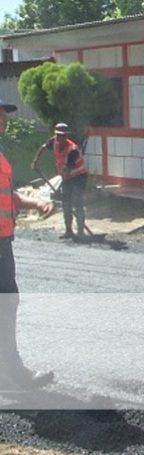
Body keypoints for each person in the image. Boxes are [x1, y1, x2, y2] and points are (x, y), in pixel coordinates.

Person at [0, 98, 56, 389]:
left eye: (5, 114)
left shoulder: (1, 152)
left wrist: (35, 202)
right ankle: (12, 373)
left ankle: (9, 373)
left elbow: (9, 196)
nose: (5, 119)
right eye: (0, 114)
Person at [31, 122, 88, 240]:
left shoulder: (72, 149)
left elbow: (67, 171)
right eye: (58, 135)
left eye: (62, 135)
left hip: (78, 176)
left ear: (67, 136)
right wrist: (36, 161)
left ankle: (81, 232)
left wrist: (59, 190)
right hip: (67, 175)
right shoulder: (54, 141)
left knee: (77, 203)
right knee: (66, 203)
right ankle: (69, 231)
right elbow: (43, 148)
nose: (59, 138)